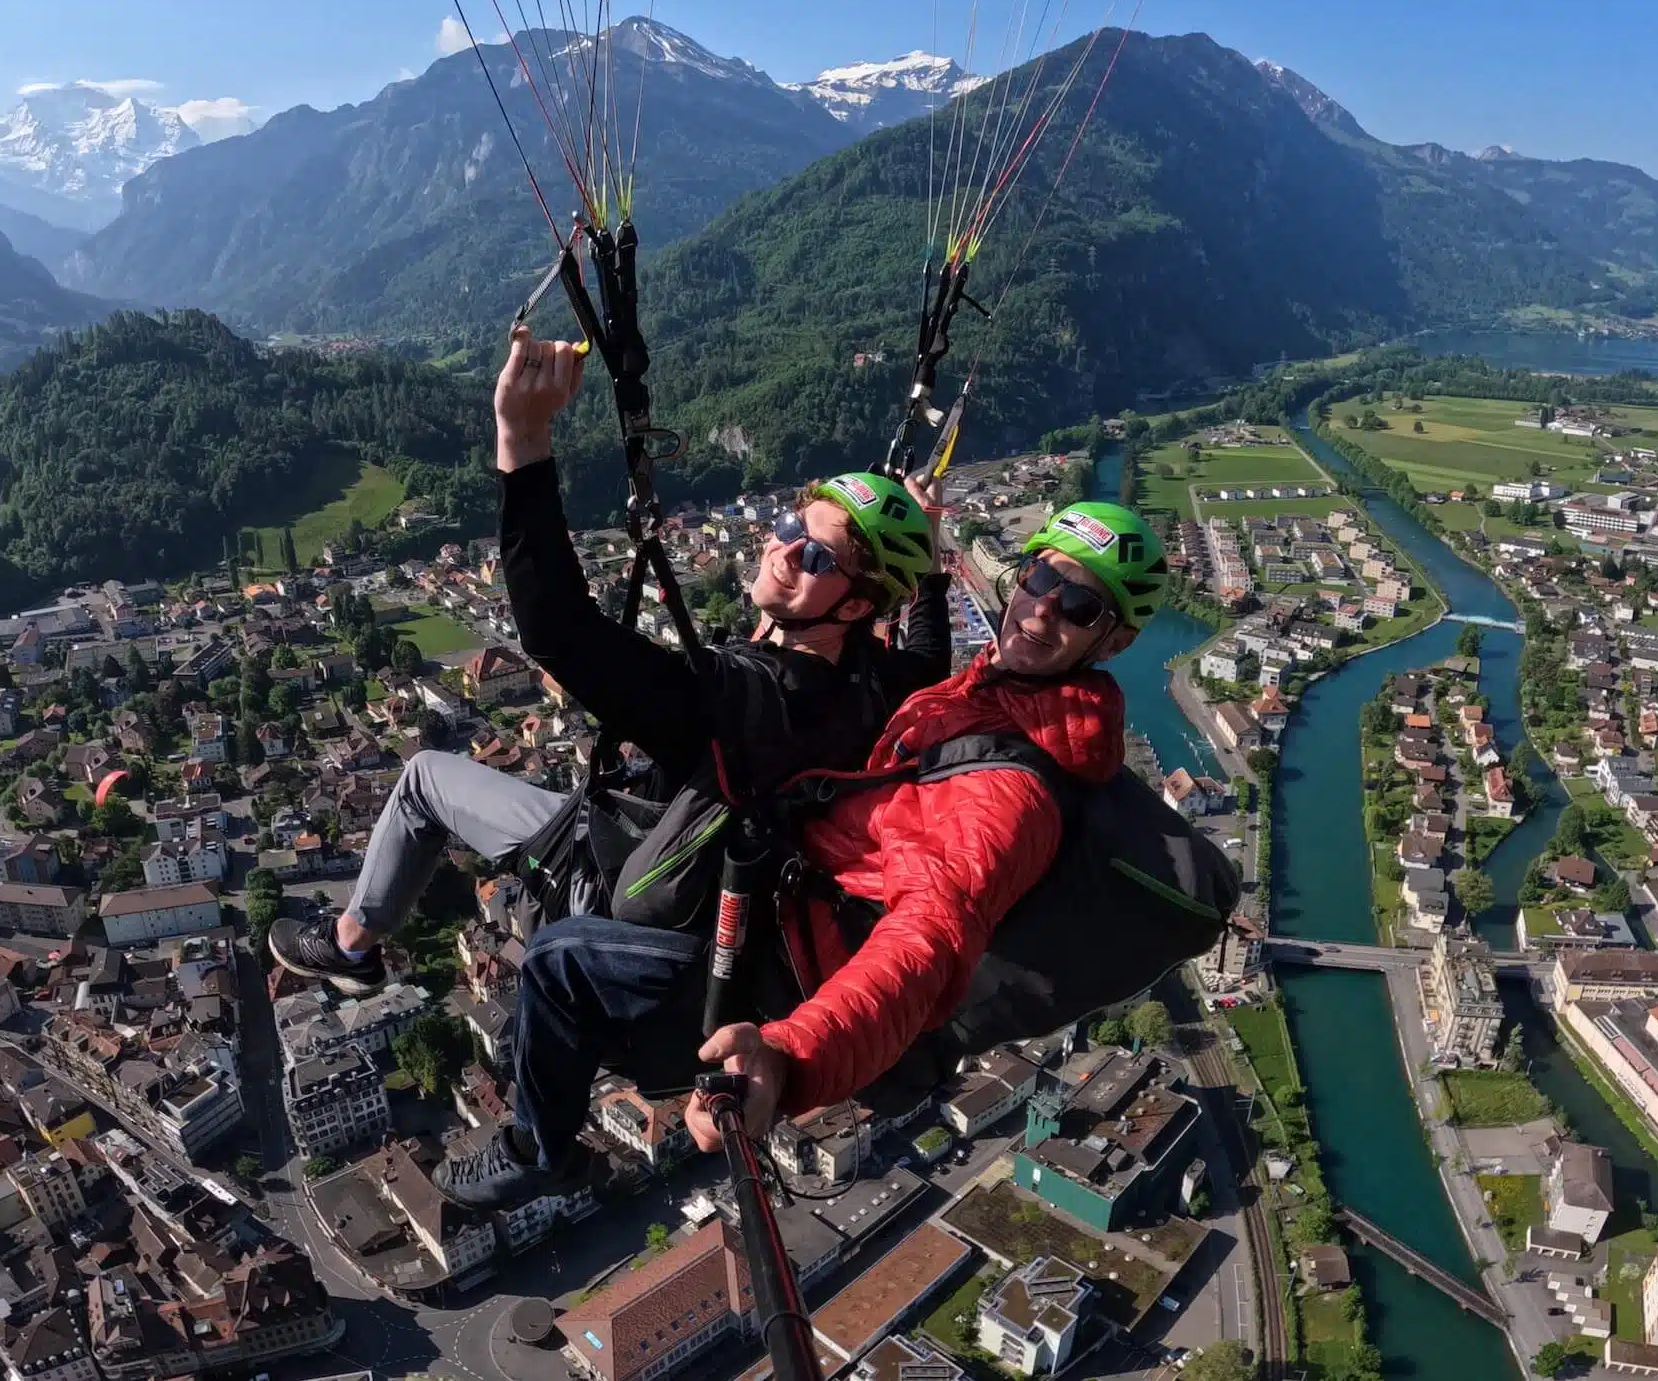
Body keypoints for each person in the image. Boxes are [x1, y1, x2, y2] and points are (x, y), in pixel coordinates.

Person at [435, 497, 1167, 1210]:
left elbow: (927, 942)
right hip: (785, 919)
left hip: (776, 981)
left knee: (560, 959)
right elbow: (918, 669)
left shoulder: (1010, 791)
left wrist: (789, 1056)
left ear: (1114, 640)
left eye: (1079, 607)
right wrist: (924, 577)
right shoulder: (984, 697)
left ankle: (538, 1151)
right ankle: (537, 1065)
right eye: (1041, 578)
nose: (1040, 609)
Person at [270, 326, 950, 990]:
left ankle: (349, 945)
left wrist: (523, 440)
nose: (784, 547)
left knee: (422, 778)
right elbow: (928, 660)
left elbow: (559, 629)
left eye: (817, 555)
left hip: (595, 877)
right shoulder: (874, 683)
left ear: (857, 606)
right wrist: (931, 568)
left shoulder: (733, 701)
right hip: (703, 887)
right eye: (792, 524)